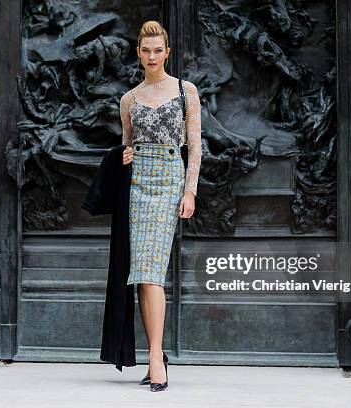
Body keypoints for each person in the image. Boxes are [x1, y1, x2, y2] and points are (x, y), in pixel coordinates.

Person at [119, 20, 202, 392]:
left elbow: (196, 147)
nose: (152, 57)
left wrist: (190, 191)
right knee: (141, 273)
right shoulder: (129, 98)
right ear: (138, 53)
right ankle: (156, 354)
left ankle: (154, 358)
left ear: (167, 53)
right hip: (137, 184)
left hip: (169, 180)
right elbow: (126, 144)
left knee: (152, 271)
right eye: (146, 50)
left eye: (158, 50)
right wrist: (125, 156)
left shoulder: (186, 91)